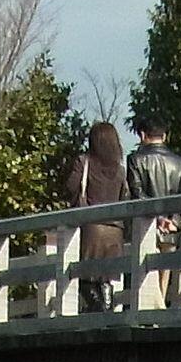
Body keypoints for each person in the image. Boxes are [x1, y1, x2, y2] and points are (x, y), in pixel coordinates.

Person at [125, 114, 181, 305]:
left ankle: (154, 317)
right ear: (165, 136)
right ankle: (158, 315)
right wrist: (174, 220)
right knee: (163, 281)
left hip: (147, 226)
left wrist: (157, 219)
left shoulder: (135, 160)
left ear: (142, 135)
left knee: (147, 279)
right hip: (171, 230)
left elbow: (137, 193)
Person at [63, 121, 127, 311]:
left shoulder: (84, 162)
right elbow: (126, 196)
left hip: (92, 228)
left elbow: (71, 187)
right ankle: (107, 306)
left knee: (84, 277)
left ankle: (98, 308)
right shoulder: (120, 169)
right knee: (106, 278)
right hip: (115, 230)